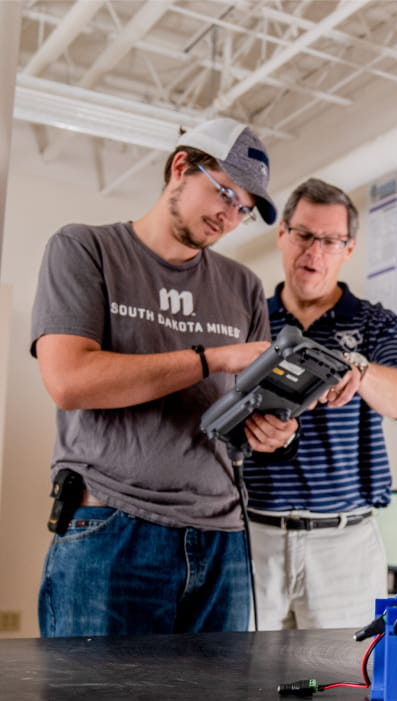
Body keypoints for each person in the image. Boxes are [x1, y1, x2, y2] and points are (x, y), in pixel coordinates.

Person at [30, 118, 299, 638]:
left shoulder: (243, 286)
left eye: (244, 208)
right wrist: (213, 358)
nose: (230, 214)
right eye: (225, 192)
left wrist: (273, 433)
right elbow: (69, 380)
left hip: (223, 538)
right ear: (181, 167)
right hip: (111, 529)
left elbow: (245, 413)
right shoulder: (85, 250)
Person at [243, 178, 397, 629]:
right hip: (253, 536)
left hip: (345, 543)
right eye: (304, 235)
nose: (314, 251)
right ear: (282, 235)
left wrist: (357, 372)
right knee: (240, 681)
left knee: (346, 679)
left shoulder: (375, 323)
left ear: (348, 249)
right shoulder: (247, 318)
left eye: (330, 240)